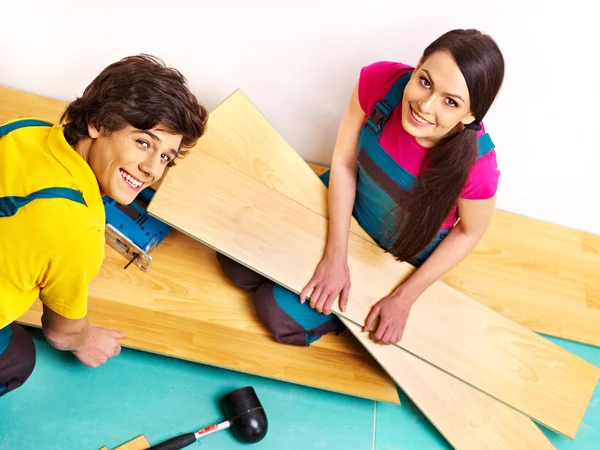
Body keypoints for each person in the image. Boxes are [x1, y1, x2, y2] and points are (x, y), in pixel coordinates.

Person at [217, 28, 505, 346]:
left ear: (471, 115)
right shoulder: (380, 81)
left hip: (391, 254)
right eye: (425, 81)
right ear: (419, 63)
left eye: (450, 102)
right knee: (234, 264)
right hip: (347, 207)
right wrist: (335, 256)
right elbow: (344, 163)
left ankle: (337, 321)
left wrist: (403, 298)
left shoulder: (479, 167)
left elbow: (469, 231)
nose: (425, 106)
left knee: (274, 310)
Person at [0, 55, 208, 396]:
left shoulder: (27, 130)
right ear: (98, 123)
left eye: (165, 157)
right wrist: (86, 339)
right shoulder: (79, 231)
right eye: (143, 142)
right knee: (17, 357)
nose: (153, 170)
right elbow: (60, 333)